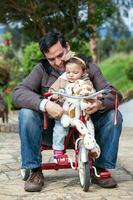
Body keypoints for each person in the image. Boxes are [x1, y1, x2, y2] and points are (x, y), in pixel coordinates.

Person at [12, 30, 123, 192]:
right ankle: (34, 170)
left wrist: (99, 103)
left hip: (86, 128)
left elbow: (114, 93)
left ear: (67, 46)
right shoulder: (41, 70)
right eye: (51, 59)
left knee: (114, 115)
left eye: (60, 55)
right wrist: (45, 104)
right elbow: (18, 93)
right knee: (26, 114)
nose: (57, 62)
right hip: (54, 130)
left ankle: (100, 169)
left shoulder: (87, 66)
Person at [50, 55, 100, 160]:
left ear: (83, 72)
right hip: (66, 112)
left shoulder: (85, 81)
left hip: (82, 113)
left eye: (75, 72)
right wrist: (54, 94)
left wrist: (96, 96)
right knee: (60, 128)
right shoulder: (62, 79)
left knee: (89, 128)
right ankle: (58, 151)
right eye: (68, 72)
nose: (71, 75)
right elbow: (52, 90)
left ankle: (89, 148)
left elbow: (91, 91)